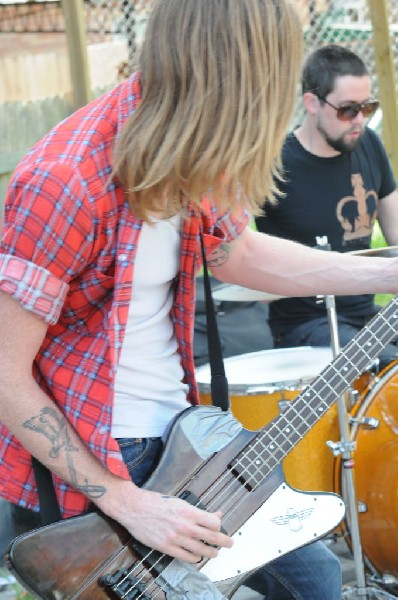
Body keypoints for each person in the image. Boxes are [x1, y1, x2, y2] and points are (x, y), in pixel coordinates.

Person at [1, 4, 398, 598]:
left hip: (184, 433)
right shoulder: (66, 181)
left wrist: (390, 273)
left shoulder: (186, 154)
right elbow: (5, 372)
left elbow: (238, 252)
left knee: (314, 575)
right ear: (232, 82)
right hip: (103, 455)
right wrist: (128, 502)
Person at [255, 44, 398, 371]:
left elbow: (395, 231)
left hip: (368, 316)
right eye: (348, 109)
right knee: (390, 371)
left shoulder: (369, 144)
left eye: (368, 107)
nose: (360, 120)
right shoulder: (273, 164)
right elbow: (232, 244)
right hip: (306, 324)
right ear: (312, 103)